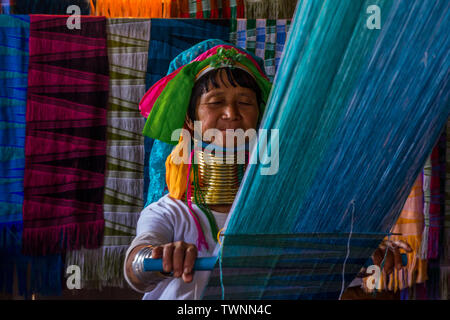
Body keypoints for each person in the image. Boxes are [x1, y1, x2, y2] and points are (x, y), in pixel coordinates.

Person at [124, 40, 411, 300]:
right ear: (189, 120)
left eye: (245, 102)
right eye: (215, 102)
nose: (231, 114)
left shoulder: (284, 213)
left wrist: (359, 257)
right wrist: (157, 258)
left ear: (261, 118)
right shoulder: (170, 213)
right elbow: (136, 269)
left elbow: (322, 267)